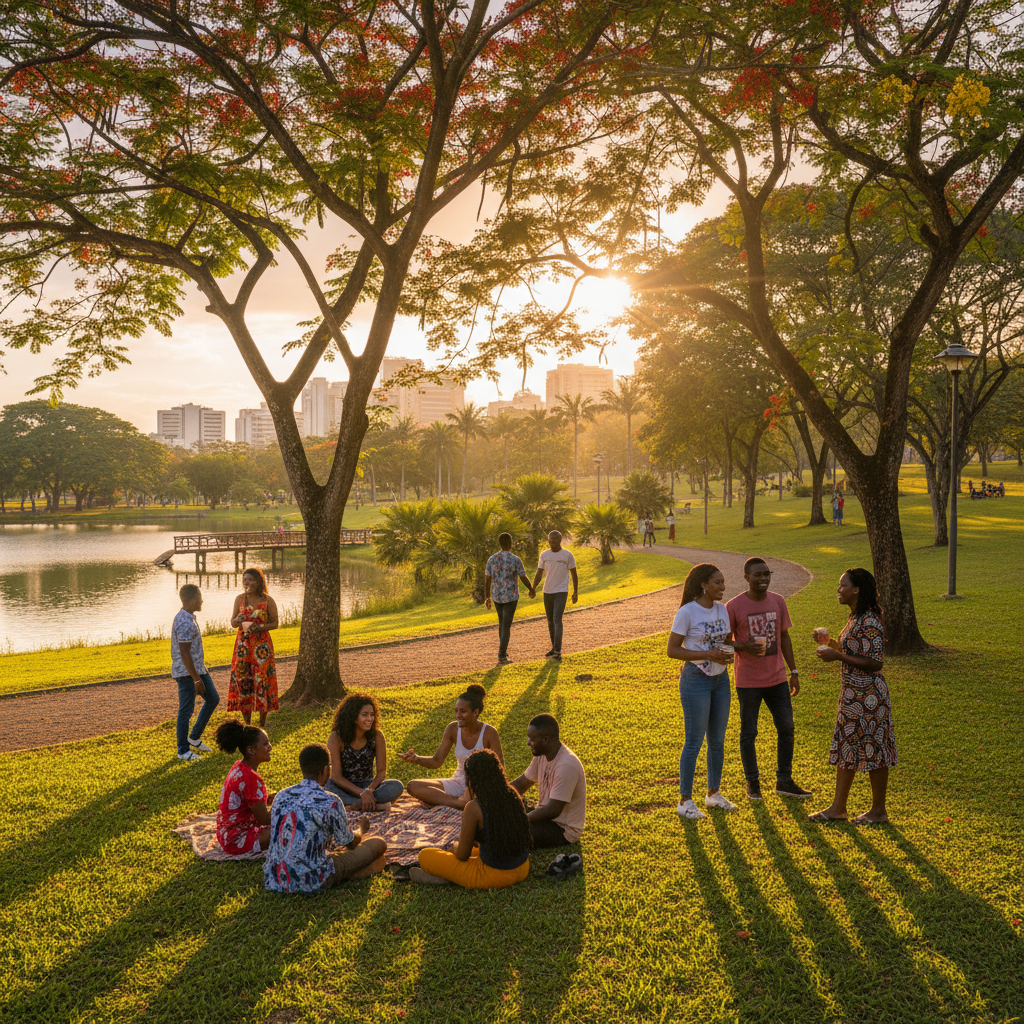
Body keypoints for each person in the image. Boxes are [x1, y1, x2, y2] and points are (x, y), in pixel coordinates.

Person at [810, 567, 897, 824]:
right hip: (852, 695)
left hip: (868, 696)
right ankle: (838, 808)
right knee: (847, 747)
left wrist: (837, 655)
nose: (838, 589)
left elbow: (874, 662)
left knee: (875, 750)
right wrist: (832, 643)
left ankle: (878, 811)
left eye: (842, 585)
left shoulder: (869, 619)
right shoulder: (856, 616)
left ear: (856, 590)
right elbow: (854, 651)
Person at [726, 558, 811, 801]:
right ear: (746, 578)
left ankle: (784, 780)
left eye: (766, 574)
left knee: (787, 728)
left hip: (777, 679)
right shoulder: (733, 606)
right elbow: (724, 641)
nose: (763, 579)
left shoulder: (778, 601)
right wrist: (744, 646)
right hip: (748, 681)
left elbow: (784, 637)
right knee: (748, 733)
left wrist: (793, 672)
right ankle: (752, 783)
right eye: (757, 575)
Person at [265, 743, 387, 892]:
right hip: (312, 879)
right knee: (378, 844)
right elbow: (350, 843)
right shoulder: (331, 801)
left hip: (275, 877)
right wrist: (361, 830)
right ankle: (355, 872)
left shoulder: (281, 796)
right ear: (325, 770)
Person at [668, 563, 737, 819]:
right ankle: (685, 801)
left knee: (717, 741)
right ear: (703, 585)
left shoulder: (722, 609)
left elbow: (726, 642)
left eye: (723, 582)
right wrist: (707, 654)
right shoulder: (687, 612)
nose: (722, 587)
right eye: (717, 582)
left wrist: (731, 651)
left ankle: (713, 794)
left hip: (721, 680)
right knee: (694, 741)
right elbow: (673, 650)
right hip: (696, 679)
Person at [411, 749, 531, 888]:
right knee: (473, 851)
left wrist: (453, 847)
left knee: (425, 856)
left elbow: (462, 855)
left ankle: (447, 877)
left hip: (492, 876)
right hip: (522, 869)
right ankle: (448, 874)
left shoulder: (474, 807)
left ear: (471, 781)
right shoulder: (512, 794)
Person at [400, 683, 504, 807]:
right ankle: (459, 803)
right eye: (456, 711)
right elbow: (436, 761)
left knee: (478, 794)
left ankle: (454, 801)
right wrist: (416, 759)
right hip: (457, 782)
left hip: (479, 785)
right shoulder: (452, 729)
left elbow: (500, 768)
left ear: (476, 712)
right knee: (413, 786)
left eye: (463, 711)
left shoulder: (489, 733)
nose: (458, 715)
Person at [511, 714, 587, 848]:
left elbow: (553, 810)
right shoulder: (542, 755)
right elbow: (521, 784)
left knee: (509, 834)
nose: (528, 742)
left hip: (561, 829)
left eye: (532, 739)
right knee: (510, 804)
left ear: (545, 739)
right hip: (544, 816)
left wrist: (520, 820)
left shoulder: (566, 766)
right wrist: (494, 798)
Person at [325, 694, 404, 811]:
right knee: (327, 790)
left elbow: (381, 772)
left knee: (396, 786)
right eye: (364, 715)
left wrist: (368, 790)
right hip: (344, 787)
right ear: (353, 717)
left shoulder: (377, 736)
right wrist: (361, 793)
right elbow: (336, 777)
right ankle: (372, 805)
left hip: (369, 787)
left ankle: (354, 805)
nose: (370, 719)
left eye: (372, 715)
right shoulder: (336, 737)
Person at [170, 584, 220, 763]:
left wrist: (200, 674)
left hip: (198, 669)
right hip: (187, 674)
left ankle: (194, 738)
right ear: (192, 600)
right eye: (200, 597)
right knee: (186, 711)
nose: (202, 600)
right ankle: (183, 750)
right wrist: (196, 680)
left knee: (213, 699)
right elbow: (184, 653)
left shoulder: (188, 617)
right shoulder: (184, 622)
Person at [228, 568, 279, 728]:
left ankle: (262, 723)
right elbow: (233, 622)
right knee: (244, 680)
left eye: (250, 580)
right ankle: (248, 724)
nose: (247, 583)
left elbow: (275, 623)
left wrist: (260, 627)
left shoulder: (267, 600)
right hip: (243, 646)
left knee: (262, 679)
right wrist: (238, 619)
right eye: (245, 580)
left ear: (258, 582)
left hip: (261, 648)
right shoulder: (239, 600)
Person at [215, 718, 275, 854]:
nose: (270, 747)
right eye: (265, 744)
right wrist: (287, 807)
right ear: (251, 750)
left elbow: (250, 800)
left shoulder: (239, 766)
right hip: (236, 840)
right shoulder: (250, 778)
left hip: (225, 834)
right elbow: (264, 819)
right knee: (287, 827)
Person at [484, 532, 535, 664]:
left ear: (499, 544)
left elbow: (487, 579)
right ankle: (501, 656)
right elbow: (523, 576)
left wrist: (487, 597)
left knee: (502, 623)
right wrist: (531, 588)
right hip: (511, 596)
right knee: (506, 625)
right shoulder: (515, 559)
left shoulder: (492, 559)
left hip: (497, 596)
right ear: (511, 544)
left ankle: (503, 650)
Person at [532, 531, 578, 661]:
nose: (552, 542)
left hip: (561, 591)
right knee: (550, 621)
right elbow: (539, 573)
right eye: (550, 540)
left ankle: (557, 651)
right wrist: (533, 588)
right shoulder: (544, 555)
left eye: (555, 539)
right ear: (548, 540)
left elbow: (574, 574)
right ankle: (553, 648)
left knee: (557, 619)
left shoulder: (568, 555)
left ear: (560, 540)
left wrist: (575, 592)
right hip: (547, 591)